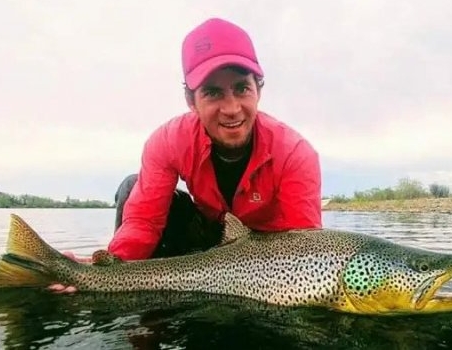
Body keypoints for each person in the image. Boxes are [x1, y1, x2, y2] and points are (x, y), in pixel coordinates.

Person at [49, 17, 322, 293]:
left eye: (241, 88)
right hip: (206, 243)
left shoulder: (296, 154)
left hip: (269, 260)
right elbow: (144, 221)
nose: (231, 108)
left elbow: (308, 252)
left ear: (259, 90)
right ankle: (141, 324)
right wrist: (106, 272)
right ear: (191, 101)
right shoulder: (168, 141)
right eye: (213, 92)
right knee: (132, 187)